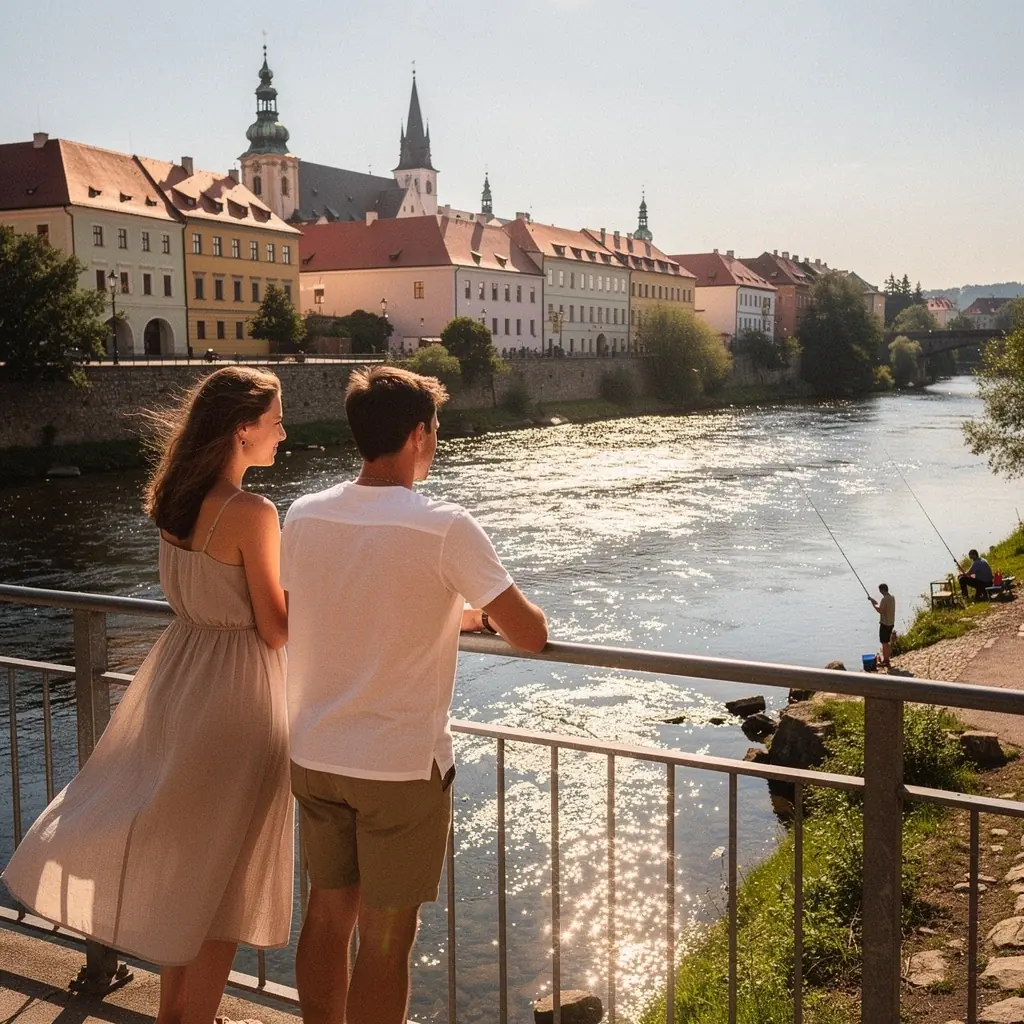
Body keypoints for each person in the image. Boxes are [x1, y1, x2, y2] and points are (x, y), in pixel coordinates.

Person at [4, 366, 293, 1024]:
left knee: (188, 865)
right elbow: (275, 630)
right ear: (243, 430)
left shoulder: (175, 498)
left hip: (177, 682)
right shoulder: (251, 511)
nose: (284, 431)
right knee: (227, 884)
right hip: (236, 693)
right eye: (276, 420)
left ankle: (173, 1016)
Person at [282, 365, 548, 1024]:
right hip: (397, 768)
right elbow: (531, 634)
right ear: (418, 436)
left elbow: (341, 605)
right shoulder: (444, 525)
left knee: (325, 913)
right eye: (435, 430)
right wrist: (484, 613)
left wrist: (449, 612)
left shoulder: (305, 514)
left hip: (316, 752)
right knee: (385, 942)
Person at [869, 583, 896, 669]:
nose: (880, 592)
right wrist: (873, 601)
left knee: (884, 643)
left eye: (880, 590)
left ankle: (886, 661)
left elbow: (880, 610)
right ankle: (887, 659)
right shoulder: (892, 598)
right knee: (887, 642)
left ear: (882, 590)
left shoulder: (884, 599)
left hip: (885, 624)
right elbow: (882, 607)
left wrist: (873, 605)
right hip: (891, 623)